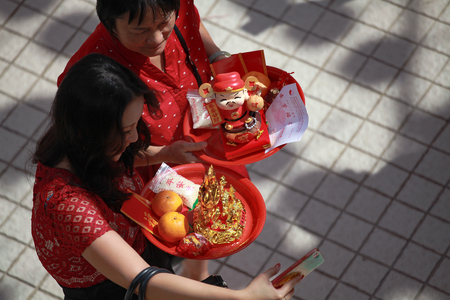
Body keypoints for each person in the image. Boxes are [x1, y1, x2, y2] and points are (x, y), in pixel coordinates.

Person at [31, 53, 301, 300]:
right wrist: (244, 298)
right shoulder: (65, 205)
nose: (135, 138)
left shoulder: (81, 145)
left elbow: (111, 158)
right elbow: (142, 280)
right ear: (89, 133)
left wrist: (165, 154)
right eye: (125, 132)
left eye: (136, 125)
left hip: (140, 243)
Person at [57, 0, 248, 280]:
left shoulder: (176, 6)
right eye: (140, 30)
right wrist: (163, 154)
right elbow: (98, 151)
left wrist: (217, 55)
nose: (157, 38)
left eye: (163, 24)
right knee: (176, 236)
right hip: (156, 173)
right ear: (110, 25)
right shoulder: (92, 76)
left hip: (210, 136)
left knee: (218, 222)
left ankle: (198, 270)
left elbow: (192, 24)